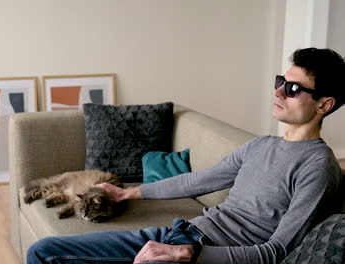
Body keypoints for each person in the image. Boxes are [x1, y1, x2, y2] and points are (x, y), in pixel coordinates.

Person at [27, 48, 345, 264]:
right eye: (280, 82)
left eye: (292, 89)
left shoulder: (318, 169)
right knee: (44, 252)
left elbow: (275, 252)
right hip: (180, 233)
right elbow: (198, 181)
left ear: (324, 104)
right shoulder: (260, 146)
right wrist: (129, 192)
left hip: (202, 255)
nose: (277, 92)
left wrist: (185, 254)